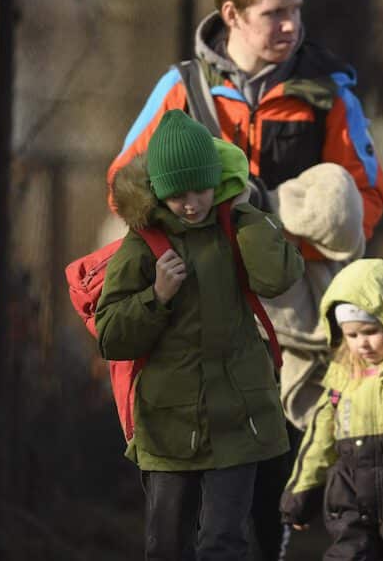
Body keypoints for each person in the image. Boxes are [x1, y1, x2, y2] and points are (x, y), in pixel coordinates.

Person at [106, 0, 383, 556]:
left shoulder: (327, 88)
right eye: (273, 12)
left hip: (290, 296)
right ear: (232, 14)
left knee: (276, 455)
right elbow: (122, 184)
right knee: (195, 486)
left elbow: (363, 199)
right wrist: (196, 232)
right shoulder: (181, 89)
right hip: (202, 304)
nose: (290, 25)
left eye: (296, 9)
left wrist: (276, 232)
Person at [95, 110, 305, 560]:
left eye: (202, 188)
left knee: (222, 543)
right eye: (176, 194)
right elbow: (111, 336)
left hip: (240, 418)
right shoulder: (141, 245)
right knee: (167, 546)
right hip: (168, 427)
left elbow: (279, 278)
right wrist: (157, 295)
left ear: (218, 180)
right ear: (157, 192)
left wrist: (246, 213)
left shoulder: (239, 224)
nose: (192, 203)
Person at [280, 258, 383, 560]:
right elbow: (318, 446)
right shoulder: (340, 385)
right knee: (348, 555)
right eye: (352, 335)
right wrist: (298, 497)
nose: (362, 343)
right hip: (348, 496)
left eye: (370, 331)